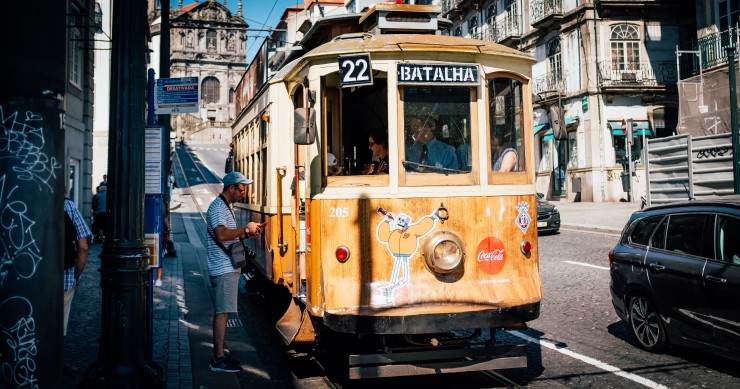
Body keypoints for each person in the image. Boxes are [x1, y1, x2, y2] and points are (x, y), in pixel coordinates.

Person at [205, 172, 264, 373]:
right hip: (223, 268)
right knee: (222, 313)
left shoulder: (224, 207)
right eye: (241, 190)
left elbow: (229, 236)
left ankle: (220, 353)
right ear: (231, 188)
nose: (242, 194)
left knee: (224, 312)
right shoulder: (218, 208)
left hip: (226, 267)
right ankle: (218, 359)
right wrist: (245, 230)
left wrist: (249, 231)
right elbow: (221, 236)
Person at [63, 198, 91, 373]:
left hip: (28, 280)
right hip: (64, 277)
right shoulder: (68, 206)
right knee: (60, 323)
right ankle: (57, 361)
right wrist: (75, 276)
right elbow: (84, 246)